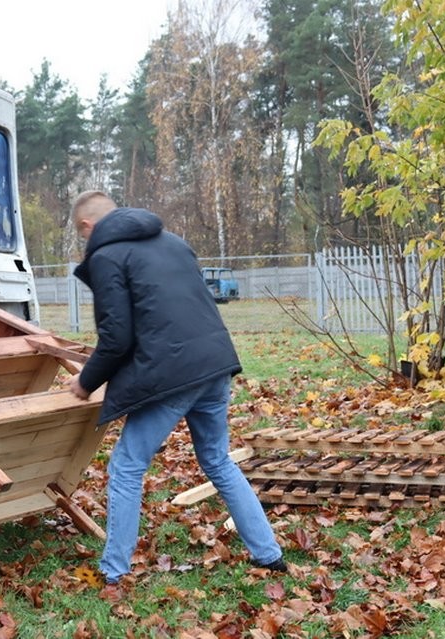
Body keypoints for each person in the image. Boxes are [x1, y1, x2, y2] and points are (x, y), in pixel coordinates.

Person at [66, 191, 285, 601]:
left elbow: (116, 338)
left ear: (87, 227)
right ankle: (268, 554)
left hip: (173, 374)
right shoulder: (174, 241)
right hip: (215, 363)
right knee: (218, 460)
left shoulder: (107, 257)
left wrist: (85, 383)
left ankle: (113, 572)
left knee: (127, 466)